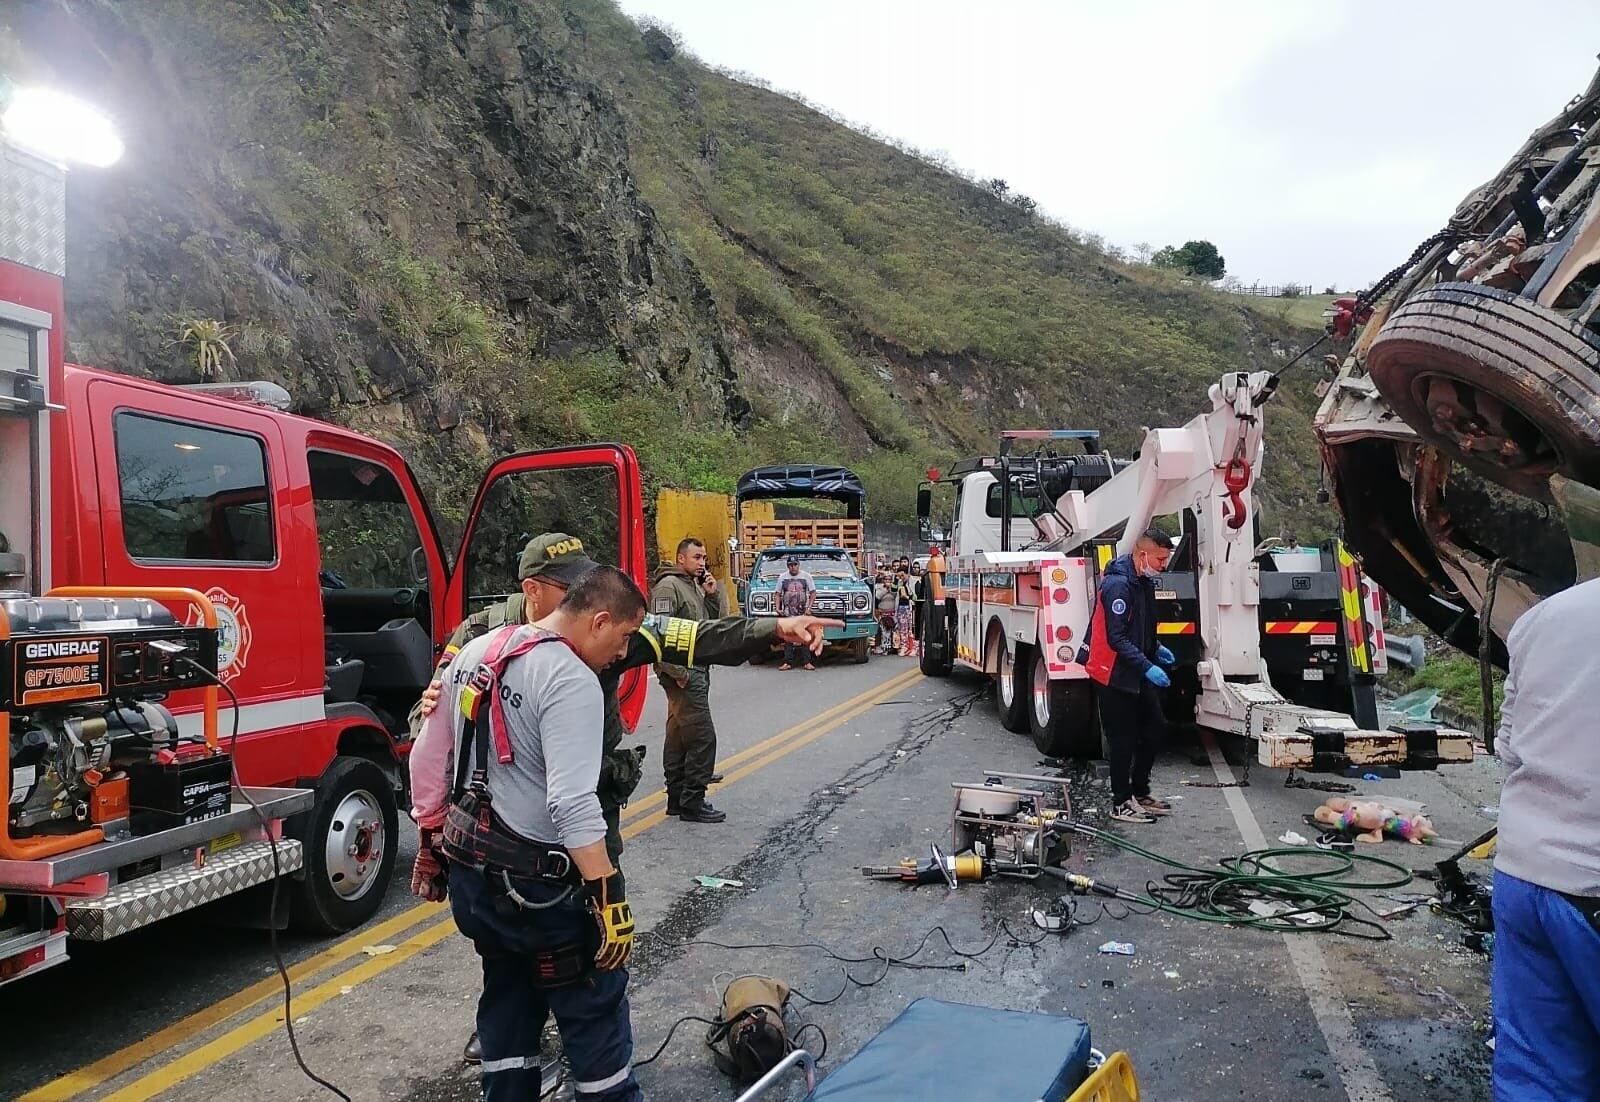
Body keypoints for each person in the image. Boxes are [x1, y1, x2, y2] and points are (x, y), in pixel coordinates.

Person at [410, 532, 839, 1062]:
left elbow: (698, 636)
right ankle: (517, 1029)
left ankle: (587, 1030)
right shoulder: (482, 634)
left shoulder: (609, 625)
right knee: (507, 938)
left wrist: (776, 626)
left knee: (590, 930)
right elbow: (432, 721)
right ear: (534, 591)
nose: (585, 596)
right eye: (569, 587)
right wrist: (427, 710)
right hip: (499, 823)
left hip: (586, 800)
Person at [423, 565, 648, 1102]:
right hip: (537, 892)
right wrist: (608, 897)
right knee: (592, 1001)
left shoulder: (477, 652)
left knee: (509, 994)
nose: (621, 654)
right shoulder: (571, 679)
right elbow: (571, 803)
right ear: (598, 621)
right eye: (621, 639)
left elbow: (430, 758)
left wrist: (429, 843)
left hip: (474, 879)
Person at [1490, 578, 1600, 1101]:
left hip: (1524, 876)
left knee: (1538, 1075)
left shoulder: (1544, 617)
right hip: (1591, 887)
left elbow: (1508, 747)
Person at [1084, 529, 1176, 825]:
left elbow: (1141, 626)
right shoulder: (1118, 585)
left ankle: (1139, 791)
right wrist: (1147, 666)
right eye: (1161, 559)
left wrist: (1156, 647)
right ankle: (1121, 802)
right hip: (1111, 672)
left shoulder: (1143, 581)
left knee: (1156, 728)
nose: (1164, 565)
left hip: (1134, 668)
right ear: (1143, 554)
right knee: (1122, 740)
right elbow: (1116, 638)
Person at [650, 537, 728, 823]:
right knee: (702, 738)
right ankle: (693, 800)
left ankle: (676, 798)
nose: (702, 563)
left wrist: (712, 595)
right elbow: (657, 634)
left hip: (695, 670)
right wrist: (677, 673)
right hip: (683, 673)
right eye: (696, 557)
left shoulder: (691, 586)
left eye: (704, 557)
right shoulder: (667, 588)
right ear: (680, 558)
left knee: (679, 738)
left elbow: (710, 627)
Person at [774, 556, 817, 670]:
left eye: (795, 564)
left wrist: (809, 607)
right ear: (788, 566)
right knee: (788, 639)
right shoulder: (782, 577)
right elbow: (777, 593)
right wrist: (777, 607)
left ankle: (807, 662)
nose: (793, 567)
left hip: (803, 613)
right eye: (790, 565)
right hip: (788, 613)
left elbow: (813, 593)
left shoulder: (806, 576)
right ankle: (788, 662)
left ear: (798, 565)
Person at [894, 566, 916, 657]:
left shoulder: (913, 582)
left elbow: (916, 597)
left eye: (902, 575)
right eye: (899, 576)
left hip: (910, 607)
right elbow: (893, 590)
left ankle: (914, 647)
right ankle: (904, 646)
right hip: (901, 608)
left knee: (912, 628)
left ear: (907, 574)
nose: (901, 578)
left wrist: (907, 596)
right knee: (902, 629)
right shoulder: (899, 583)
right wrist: (896, 580)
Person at [874, 571, 898, 654]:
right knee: (884, 632)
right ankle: (883, 648)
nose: (887, 581)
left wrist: (890, 588)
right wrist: (885, 589)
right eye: (886, 579)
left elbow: (894, 595)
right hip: (882, 613)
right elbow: (878, 596)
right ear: (883, 580)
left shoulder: (894, 587)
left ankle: (893, 647)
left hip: (892, 613)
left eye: (889, 579)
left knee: (893, 632)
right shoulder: (878, 587)